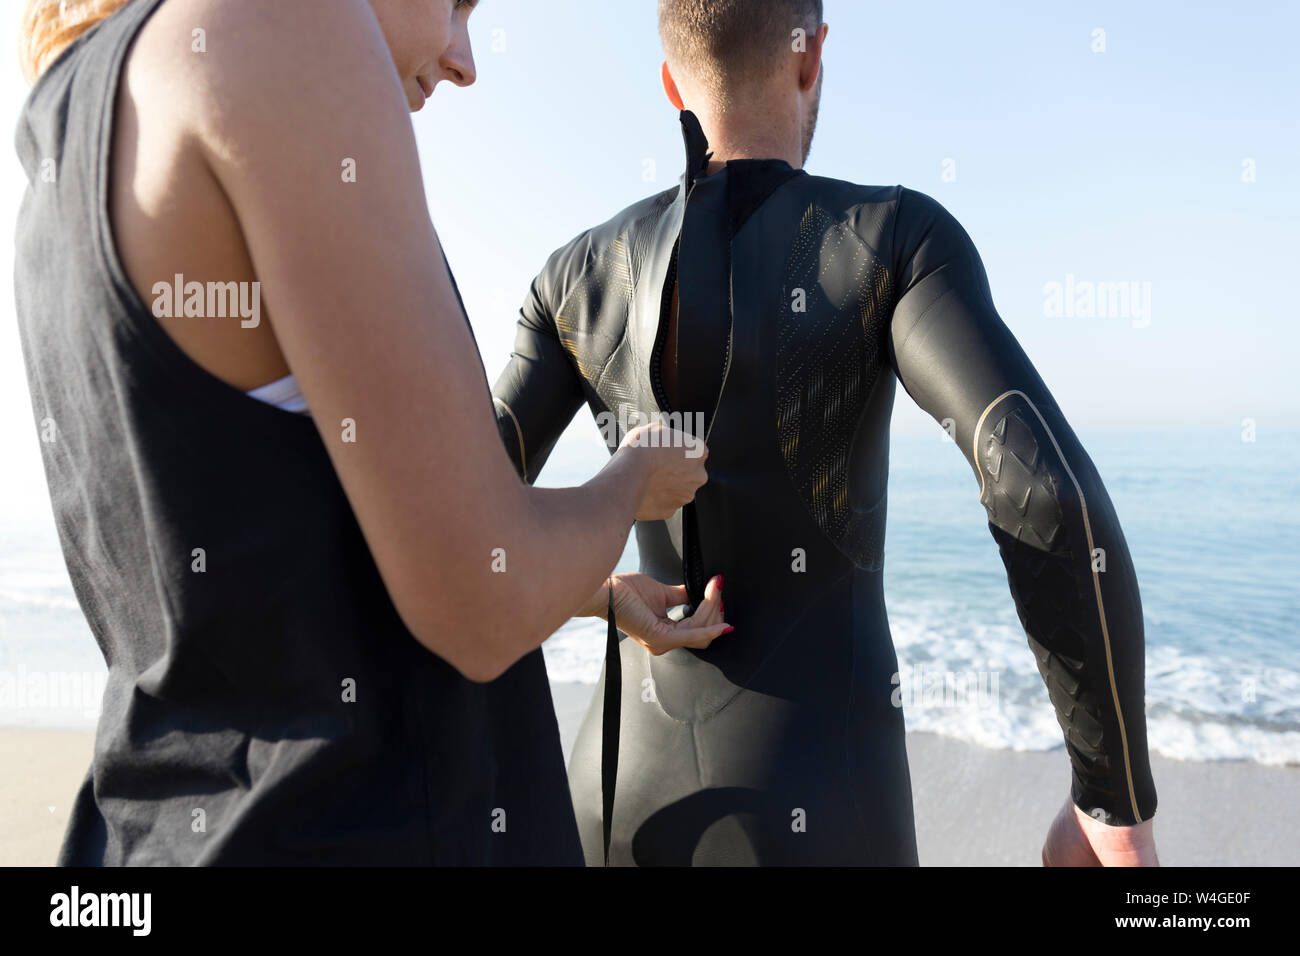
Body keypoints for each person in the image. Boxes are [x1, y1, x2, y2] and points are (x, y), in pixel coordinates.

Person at [13, 0, 729, 865]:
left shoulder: (70, 132)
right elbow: (479, 598)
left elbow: (273, 567)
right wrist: (628, 484)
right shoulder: (283, 23)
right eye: (458, 4)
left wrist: (597, 593)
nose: (466, 60)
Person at [490, 0, 1159, 866]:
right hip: (829, 809)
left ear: (670, 85)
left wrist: (602, 596)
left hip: (609, 806)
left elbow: (449, 530)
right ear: (810, 60)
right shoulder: (896, 240)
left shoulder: (571, 277)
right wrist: (1114, 805)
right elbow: (1041, 486)